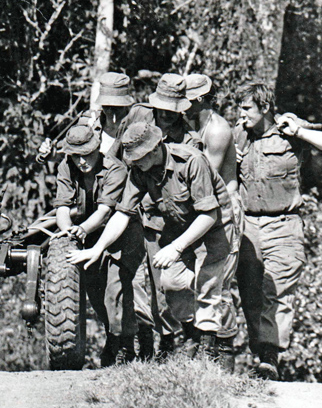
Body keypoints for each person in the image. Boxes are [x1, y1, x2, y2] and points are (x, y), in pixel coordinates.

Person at [68, 122, 235, 361]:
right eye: (133, 158)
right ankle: (194, 334)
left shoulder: (190, 162)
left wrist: (176, 248)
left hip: (214, 228)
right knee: (172, 285)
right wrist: (97, 248)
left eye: (141, 157)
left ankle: (210, 354)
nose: (136, 163)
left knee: (209, 286)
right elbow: (122, 214)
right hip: (181, 230)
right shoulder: (140, 171)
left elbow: (209, 215)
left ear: (156, 148)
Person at [234, 82, 322, 380]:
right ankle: (261, 350)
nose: (241, 114)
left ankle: (270, 356)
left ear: (265, 107)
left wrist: (300, 131)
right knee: (250, 292)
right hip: (249, 225)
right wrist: (233, 158)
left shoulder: (289, 128)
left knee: (278, 290)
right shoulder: (238, 136)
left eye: (246, 108)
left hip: (284, 224)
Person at [54, 124, 144, 365]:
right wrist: (68, 234)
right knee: (95, 292)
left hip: (121, 231)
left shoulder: (115, 169)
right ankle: (113, 338)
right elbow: (62, 206)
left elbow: (105, 212)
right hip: (89, 234)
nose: (82, 162)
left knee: (114, 289)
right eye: (76, 156)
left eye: (87, 154)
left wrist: (81, 230)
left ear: (96, 149)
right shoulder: (66, 166)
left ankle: (125, 347)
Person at [184, 74, 242, 369]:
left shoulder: (217, 129)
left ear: (198, 101)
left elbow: (206, 178)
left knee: (218, 283)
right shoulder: (193, 125)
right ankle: (197, 341)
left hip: (224, 211)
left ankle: (224, 350)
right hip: (201, 209)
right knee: (195, 281)